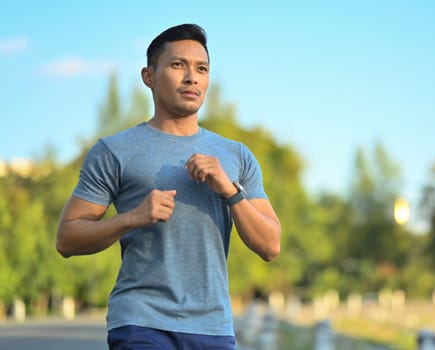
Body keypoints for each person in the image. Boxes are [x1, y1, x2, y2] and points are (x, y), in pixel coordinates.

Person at [56, 23, 281, 350]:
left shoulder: (235, 156)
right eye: (178, 65)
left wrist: (230, 191)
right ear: (149, 76)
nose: (192, 77)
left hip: (213, 326)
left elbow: (270, 246)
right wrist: (132, 217)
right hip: (140, 322)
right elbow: (67, 238)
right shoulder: (115, 150)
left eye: (201, 69)